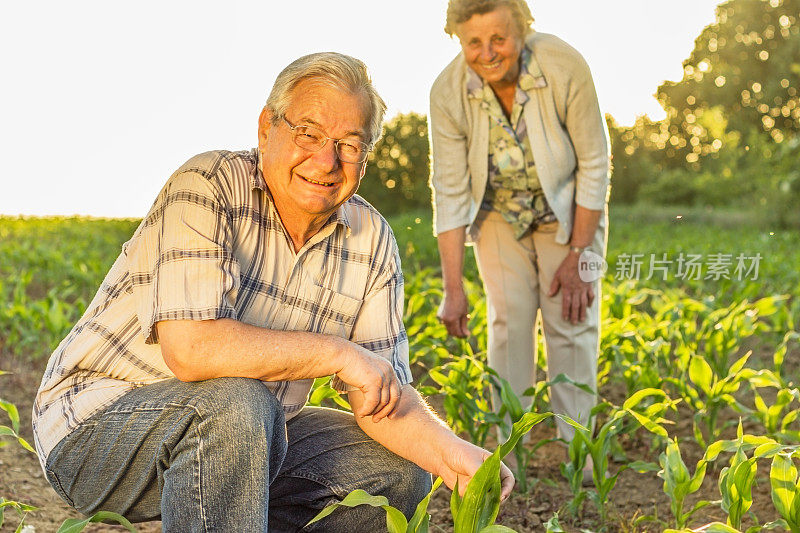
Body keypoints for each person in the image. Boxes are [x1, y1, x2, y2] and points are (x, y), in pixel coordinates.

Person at [33, 52, 513, 532]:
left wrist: (459, 457)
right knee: (240, 405)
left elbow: (383, 397)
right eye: (309, 134)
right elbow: (192, 350)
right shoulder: (208, 184)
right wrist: (340, 355)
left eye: (349, 144)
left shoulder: (372, 239)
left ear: (366, 156)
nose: (326, 161)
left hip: (246, 437)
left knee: (397, 473)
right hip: (96, 429)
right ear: (267, 128)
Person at [429, 0, 611, 466]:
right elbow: (450, 192)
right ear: (458, 40)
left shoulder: (563, 64)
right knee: (508, 325)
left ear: (523, 29)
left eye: (499, 38)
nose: (488, 53)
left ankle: (580, 458)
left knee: (571, 321)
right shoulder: (447, 93)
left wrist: (578, 256)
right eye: (474, 42)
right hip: (497, 217)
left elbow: (593, 164)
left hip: (570, 215)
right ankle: (508, 459)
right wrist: (453, 289)